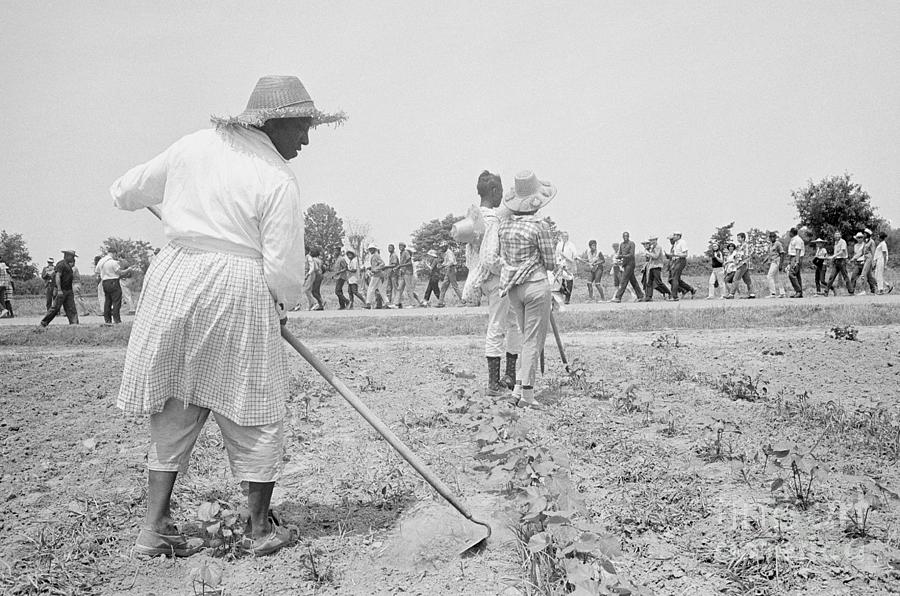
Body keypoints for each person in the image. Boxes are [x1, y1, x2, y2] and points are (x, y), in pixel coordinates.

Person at [109, 74, 345, 558]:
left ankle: (153, 530)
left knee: (176, 398)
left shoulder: (191, 146)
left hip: (175, 278)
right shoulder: (276, 177)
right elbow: (282, 269)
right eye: (302, 128)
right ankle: (260, 531)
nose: (304, 140)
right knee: (254, 403)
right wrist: (280, 305)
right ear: (274, 123)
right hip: (238, 284)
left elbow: (125, 192)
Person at [498, 171, 556, 408]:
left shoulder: (504, 226)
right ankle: (528, 397)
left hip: (513, 289)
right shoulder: (539, 226)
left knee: (525, 339)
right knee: (533, 341)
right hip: (535, 286)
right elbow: (551, 262)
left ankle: (518, 389)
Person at [461, 170, 522, 396]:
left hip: (483, 279)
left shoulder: (474, 218)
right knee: (498, 326)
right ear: (495, 191)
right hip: (497, 281)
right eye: (501, 191)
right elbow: (489, 257)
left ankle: (509, 375)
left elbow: (472, 258)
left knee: (512, 322)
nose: (502, 196)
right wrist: (506, 268)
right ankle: (494, 383)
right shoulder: (493, 220)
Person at [40, 250, 80, 326]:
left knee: (71, 308)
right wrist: (59, 289)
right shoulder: (61, 264)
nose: (73, 258)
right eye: (72, 256)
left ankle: (74, 324)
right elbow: (58, 276)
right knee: (55, 308)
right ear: (67, 255)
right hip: (61, 290)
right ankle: (44, 322)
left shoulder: (68, 265)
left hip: (68, 290)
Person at [95, 248, 132, 324]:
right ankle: (116, 319)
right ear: (114, 253)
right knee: (116, 301)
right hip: (113, 281)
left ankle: (107, 320)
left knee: (107, 301)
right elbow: (120, 273)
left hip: (105, 282)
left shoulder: (101, 261)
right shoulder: (113, 262)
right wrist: (128, 269)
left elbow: (97, 271)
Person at [611, 232, 644, 303]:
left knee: (624, 280)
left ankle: (618, 297)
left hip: (630, 264)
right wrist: (618, 258)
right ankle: (640, 295)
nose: (625, 237)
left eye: (626, 236)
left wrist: (622, 256)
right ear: (622, 237)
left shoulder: (632, 243)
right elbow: (620, 253)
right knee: (633, 281)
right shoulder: (622, 244)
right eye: (624, 236)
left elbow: (631, 255)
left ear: (629, 236)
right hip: (625, 264)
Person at [392, 242, 422, 308]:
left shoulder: (406, 253)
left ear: (404, 246)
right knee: (399, 288)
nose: (400, 247)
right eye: (399, 246)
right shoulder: (401, 253)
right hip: (403, 273)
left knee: (409, 289)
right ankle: (396, 303)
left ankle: (413, 304)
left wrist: (400, 266)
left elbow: (409, 263)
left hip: (408, 273)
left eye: (401, 246)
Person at [823, 230, 852, 296]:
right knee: (832, 276)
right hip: (836, 261)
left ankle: (851, 291)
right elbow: (836, 253)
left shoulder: (843, 242)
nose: (836, 236)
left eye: (838, 234)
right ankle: (826, 291)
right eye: (835, 235)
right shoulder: (836, 243)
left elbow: (842, 251)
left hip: (842, 260)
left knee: (845, 276)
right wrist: (832, 258)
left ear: (840, 235)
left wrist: (833, 256)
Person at [668, 231, 694, 301]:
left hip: (681, 260)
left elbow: (685, 254)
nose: (674, 236)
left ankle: (674, 296)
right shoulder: (676, 243)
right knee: (676, 279)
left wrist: (675, 255)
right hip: (676, 260)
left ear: (679, 236)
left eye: (675, 235)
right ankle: (690, 289)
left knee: (674, 278)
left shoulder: (682, 242)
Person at [727, 232, 755, 299]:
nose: (738, 239)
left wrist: (742, 261)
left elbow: (747, 254)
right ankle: (752, 294)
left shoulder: (746, 245)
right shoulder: (739, 246)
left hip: (742, 264)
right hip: (741, 264)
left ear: (743, 238)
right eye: (737, 238)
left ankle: (731, 294)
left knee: (736, 278)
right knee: (747, 280)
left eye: (739, 237)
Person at [641, 237, 670, 301]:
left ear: (656, 240)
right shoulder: (652, 248)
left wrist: (648, 253)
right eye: (651, 240)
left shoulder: (658, 247)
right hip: (652, 266)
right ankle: (648, 297)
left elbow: (656, 256)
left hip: (657, 266)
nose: (652, 241)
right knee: (649, 282)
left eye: (653, 240)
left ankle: (668, 293)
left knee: (658, 282)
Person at [554, 231, 577, 304]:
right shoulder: (559, 244)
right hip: (560, 264)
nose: (565, 238)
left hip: (568, 265)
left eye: (566, 236)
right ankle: (562, 295)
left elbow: (575, 255)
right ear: (561, 237)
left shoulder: (571, 245)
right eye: (563, 236)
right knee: (560, 281)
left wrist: (572, 261)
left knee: (569, 279)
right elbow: (556, 254)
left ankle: (567, 298)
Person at [765, 231, 786, 298]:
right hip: (773, 261)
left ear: (775, 237)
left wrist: (781, 264)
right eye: (770, 237)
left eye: (773, 236)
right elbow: (770, 255)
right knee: (777, 278)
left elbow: (782, 254)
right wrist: (765, 260)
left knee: (769, 276)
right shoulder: (771, 245)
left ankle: (773, 293)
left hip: (777, 261)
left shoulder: (778, 244)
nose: (772, 238)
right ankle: (782, 293)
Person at [365, 244, 387, 308]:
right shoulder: (373, 256)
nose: (370, 250)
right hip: (377, 274)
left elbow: (382, 264)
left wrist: (376, 269)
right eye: (370, 249)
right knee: (381, 289)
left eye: (372, 249)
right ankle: (386, 302)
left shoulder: (376, 256)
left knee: (370, 288)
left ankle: (368, 303)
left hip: (376, 275)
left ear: (374, 249)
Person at [786, 227, 806, 298]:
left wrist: (796, 261)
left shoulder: (797, 240)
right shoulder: (793, 239)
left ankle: (798, 291)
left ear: (792, 233)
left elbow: (798, 251)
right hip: (793, 257)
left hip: (796, 257)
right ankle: (799, 293)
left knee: (791, 274)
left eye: (790, 232)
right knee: (797, 275)